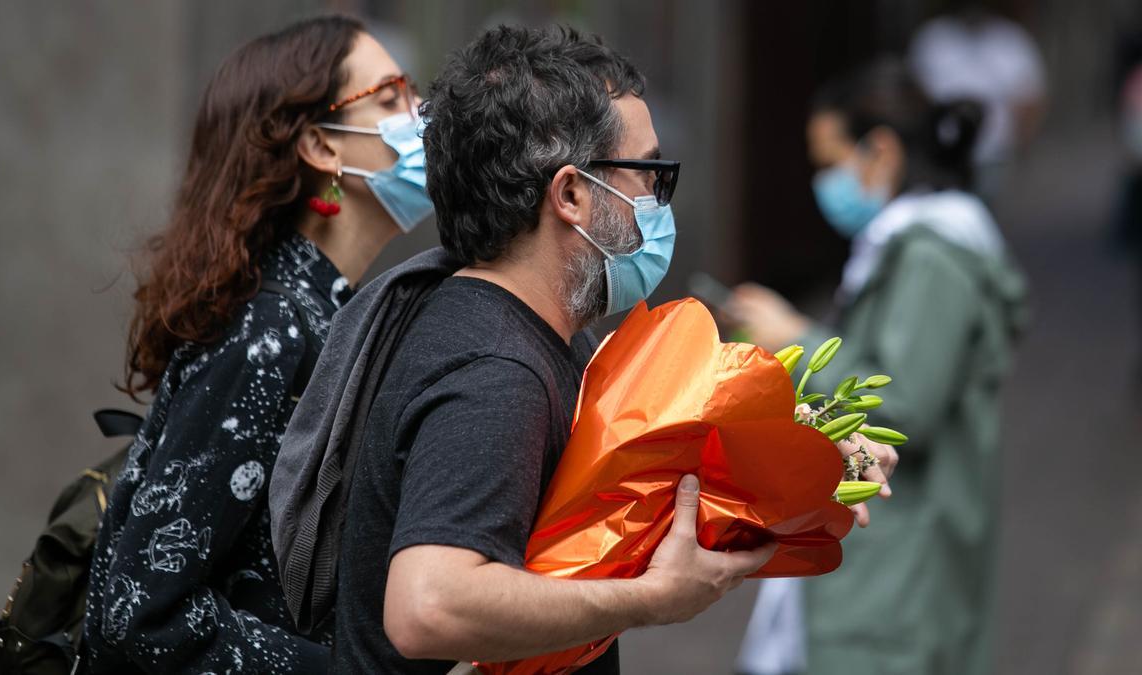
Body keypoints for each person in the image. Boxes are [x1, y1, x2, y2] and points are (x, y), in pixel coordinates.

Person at [279, 25, 894, 674]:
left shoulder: (512, 324)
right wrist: (647, 599)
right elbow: (426, 604)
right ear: (571, 194)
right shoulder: (497, 372)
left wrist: (811, 460)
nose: (659, 203)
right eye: (651, 174)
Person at [83, 15, 432, 673]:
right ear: (321, 147)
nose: (423, 119)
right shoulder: (267, 329)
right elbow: (139, 613)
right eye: (390, 99)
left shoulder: (330, 315)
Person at [732, 60, 1028, 675]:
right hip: (889, 563)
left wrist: (796, 338)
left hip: (901, 572)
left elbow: (905, 404)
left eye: (829, 162)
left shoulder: (931, 259)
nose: (823, 182)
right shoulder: (906, 247)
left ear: (882, 151)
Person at [908, 1, 1047, 202]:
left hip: (992, 155)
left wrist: (1021, 148)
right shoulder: (932, 37)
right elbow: (914, 94)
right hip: (942, 156)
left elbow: (1030, 101)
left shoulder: (1011, 39)